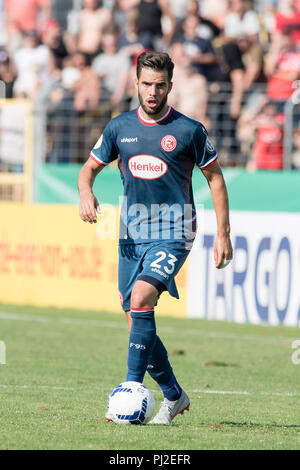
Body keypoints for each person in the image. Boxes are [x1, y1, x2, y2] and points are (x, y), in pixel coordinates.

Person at [77, 51, 233, 424]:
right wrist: (86, 193)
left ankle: (131, 389)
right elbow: (88, 170)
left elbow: (215, 178)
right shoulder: (119, 128)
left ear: (170, 87)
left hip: (175, 231)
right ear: (136, 84)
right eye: (146, 84)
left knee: (143, 296)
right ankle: (174, 396)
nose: (152, 91)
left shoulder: (188, 130)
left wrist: (223, 233)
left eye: (159, 85)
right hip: (131, 235)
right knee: (136, 318)